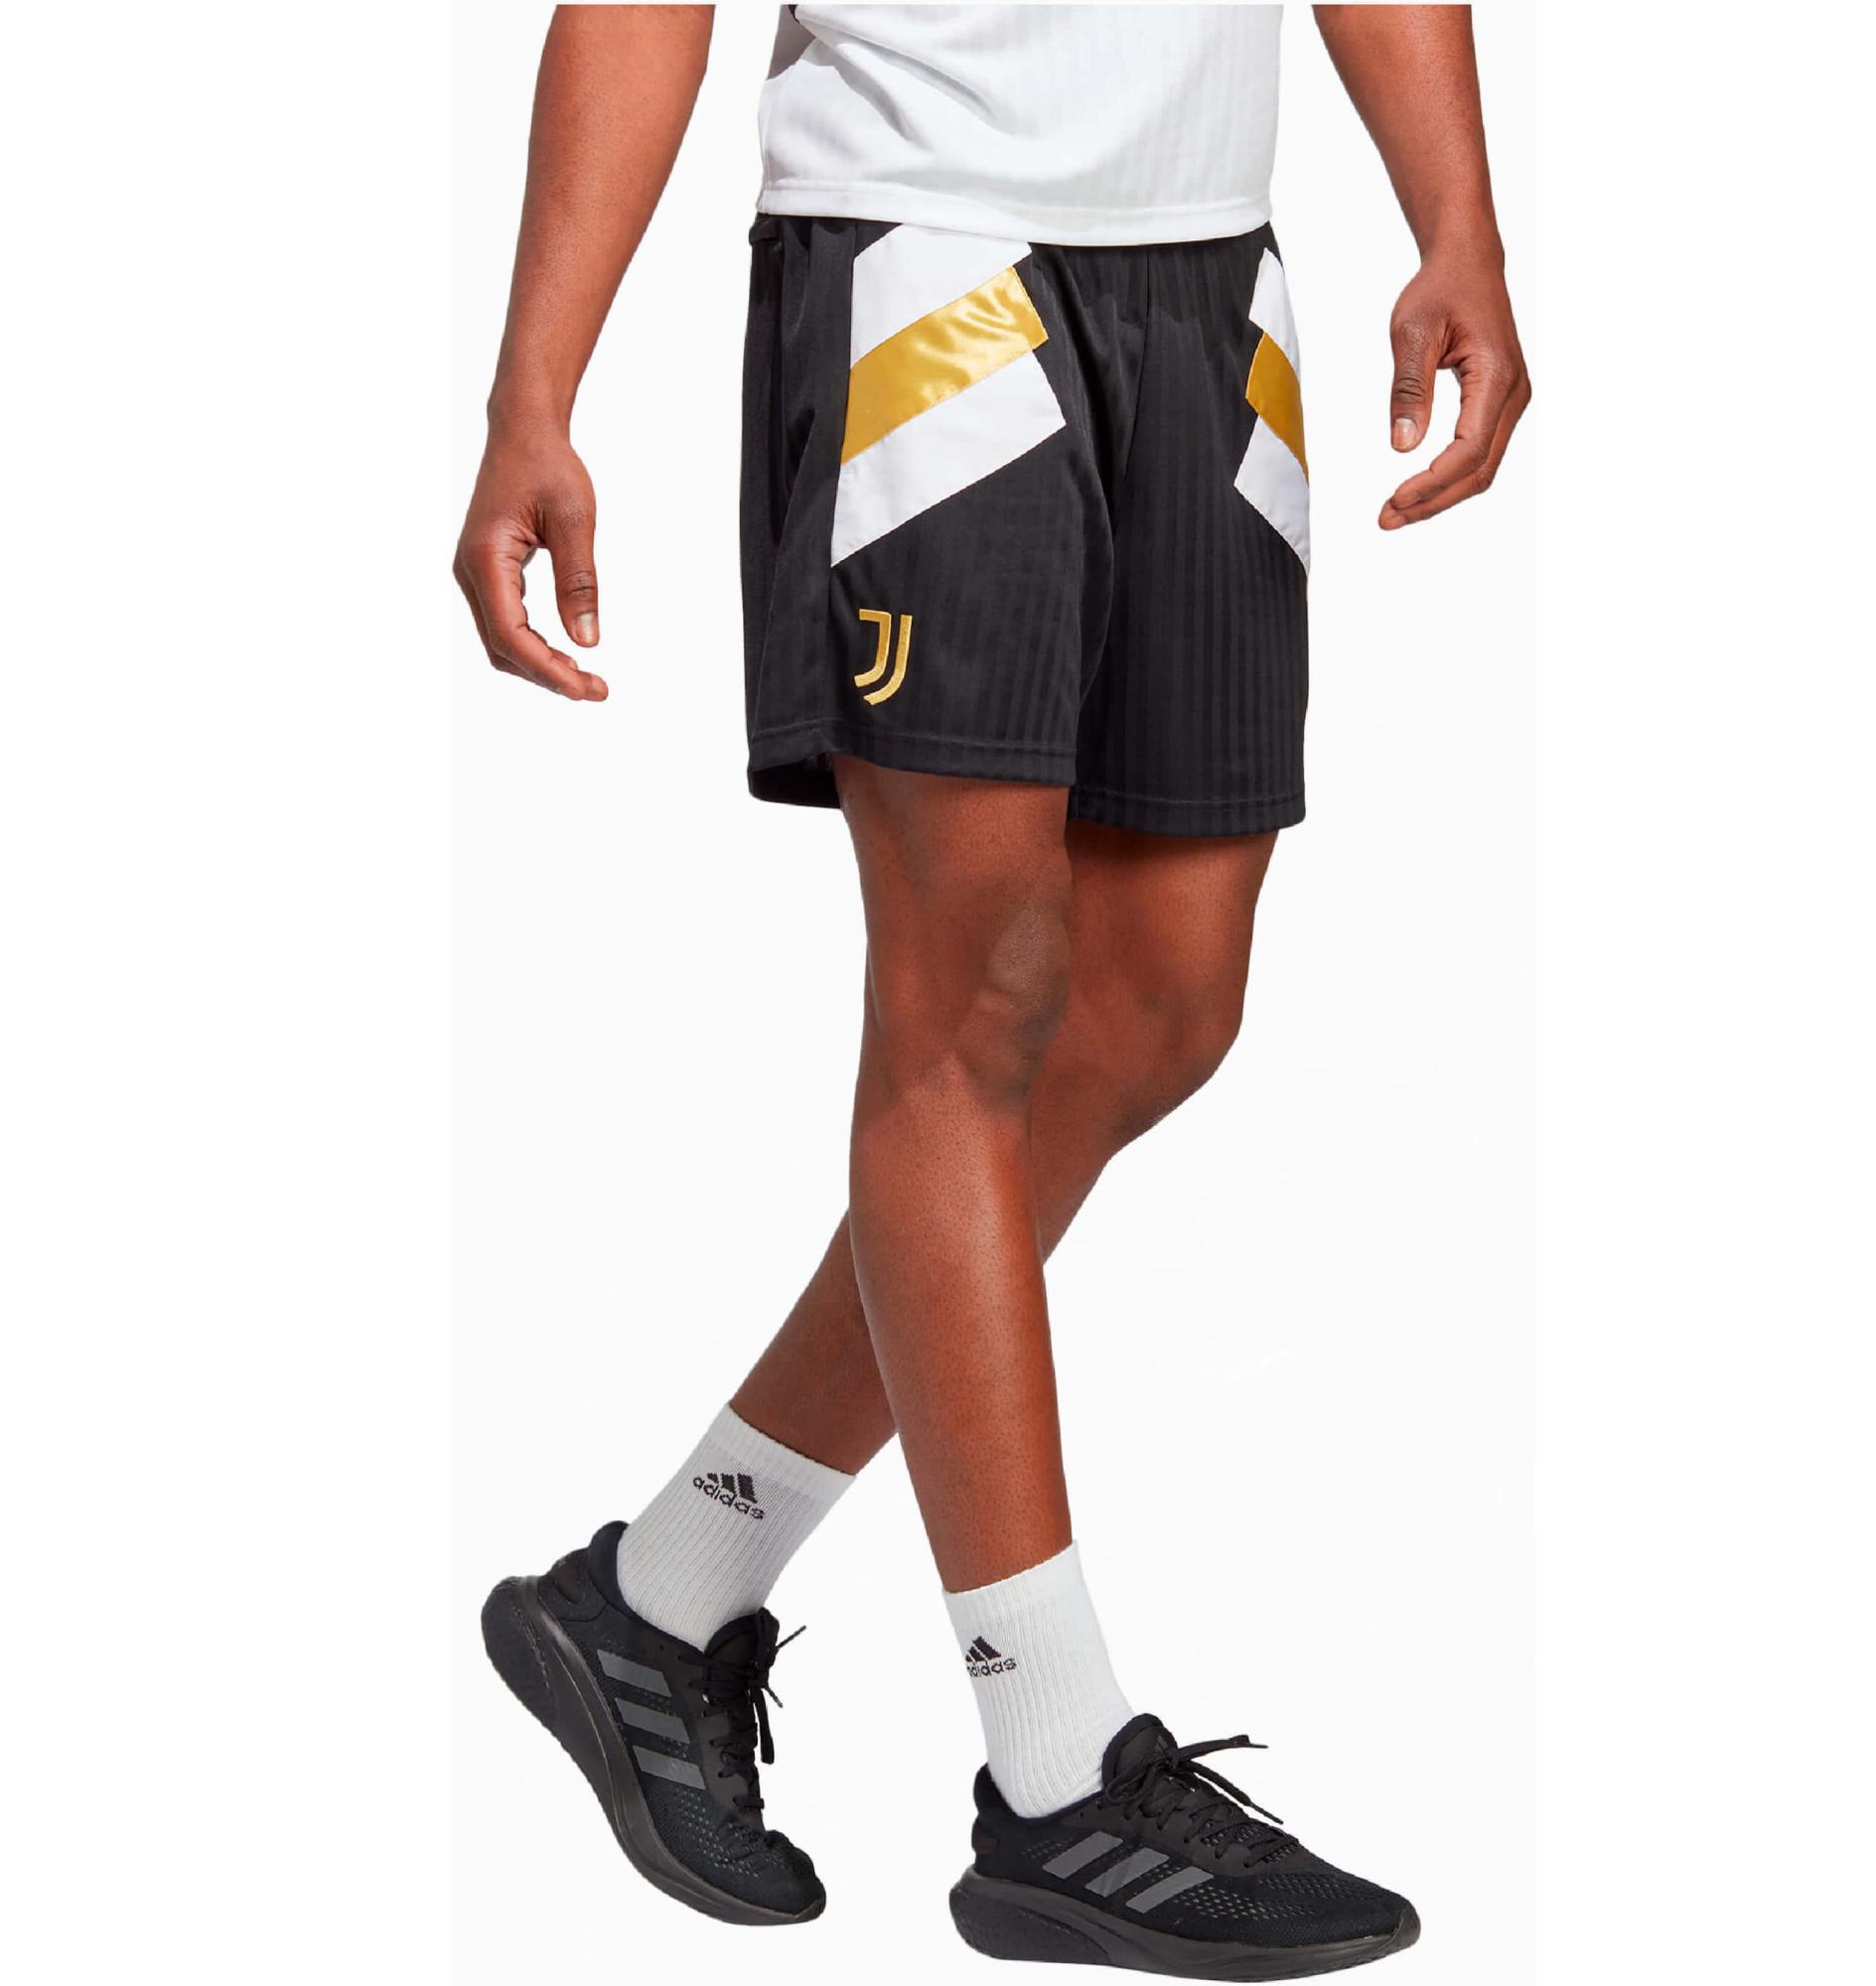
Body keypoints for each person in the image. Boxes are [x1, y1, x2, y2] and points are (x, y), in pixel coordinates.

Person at [459, 5, 1527, 1974]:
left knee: (1160, 1006)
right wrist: (538, 390)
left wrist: (1453, 214)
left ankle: (664, 1591)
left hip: (1208, 275)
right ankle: (1056, 1769)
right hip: (923, 259)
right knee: (971, 1009)